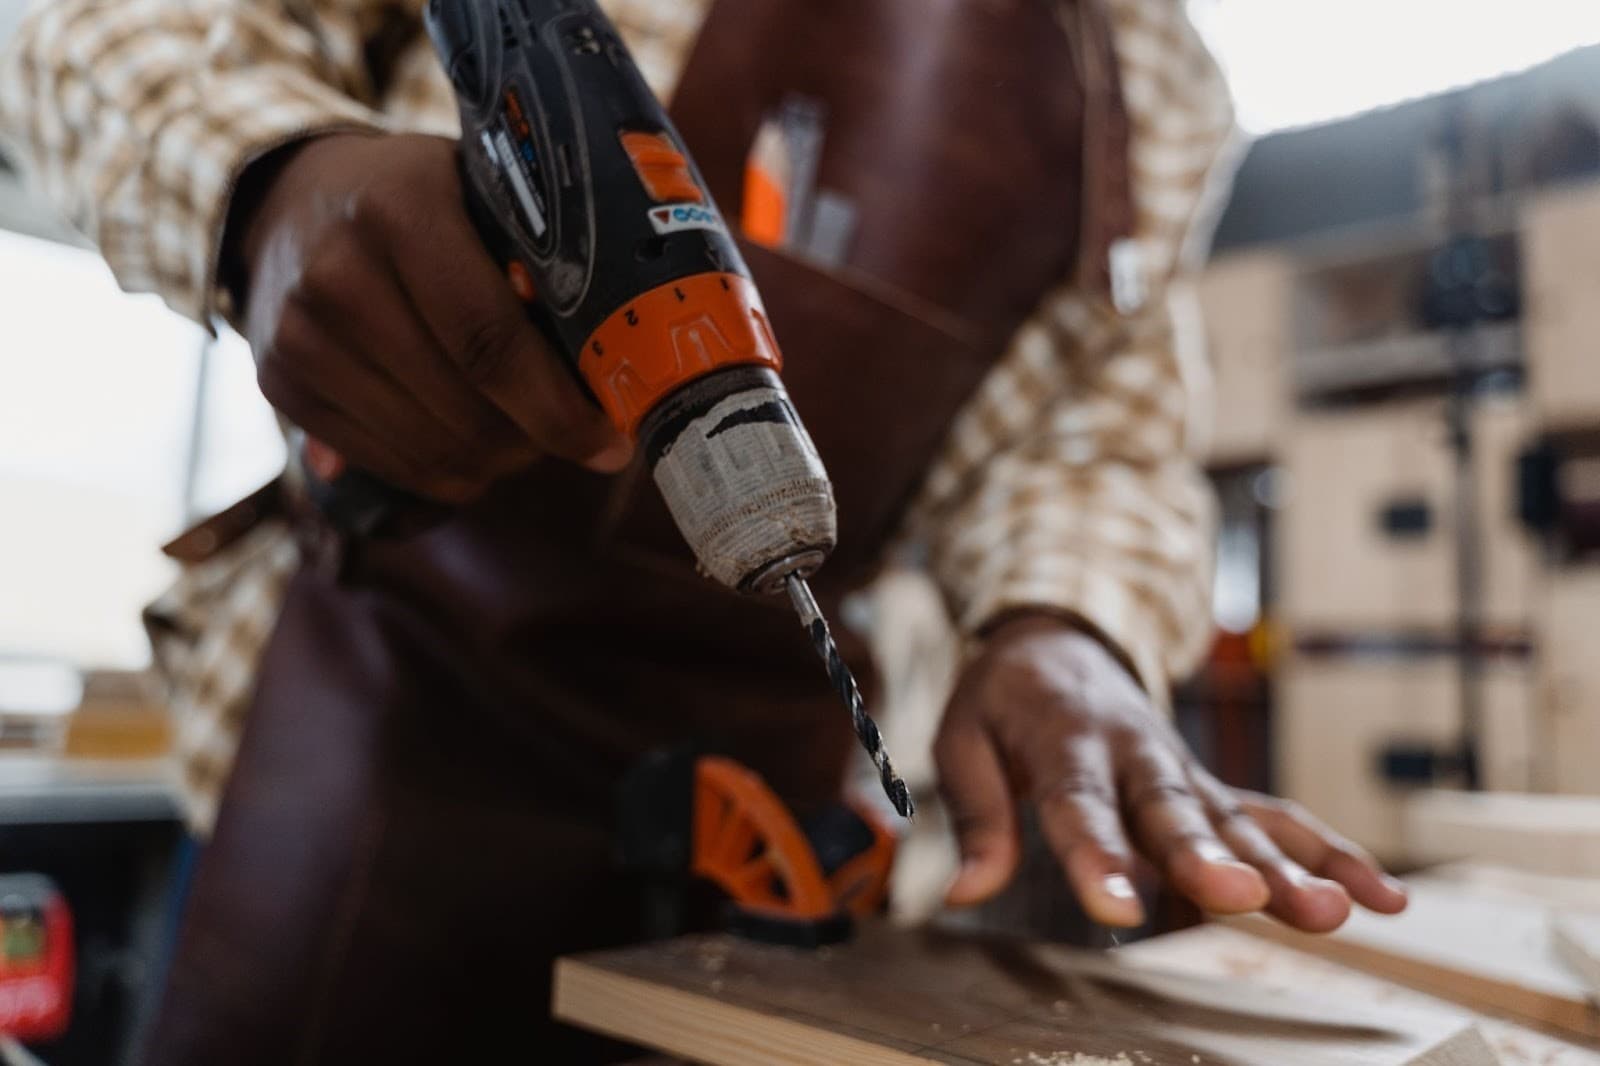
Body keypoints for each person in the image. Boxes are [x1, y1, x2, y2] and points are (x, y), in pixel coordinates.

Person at [1, 0, 1408, 1062]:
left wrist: (1068, 625)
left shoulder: (1146, 69)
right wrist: (271, 180)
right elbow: (99, 33)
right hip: (365, 762)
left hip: (770, 842)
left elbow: (1100, 431)